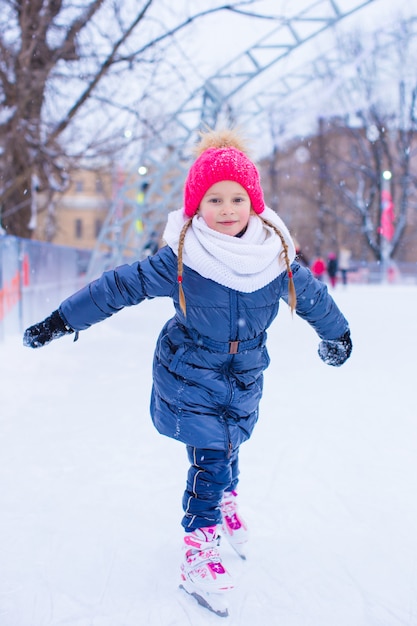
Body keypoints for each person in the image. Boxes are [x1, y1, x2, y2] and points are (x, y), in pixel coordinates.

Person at [23, 129, 352, 616]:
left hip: (244, 372)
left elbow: (315, 300)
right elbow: (118, 287)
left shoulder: (273, 258)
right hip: (190, 370)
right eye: (214, 198)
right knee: (212, 453)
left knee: (231, 439)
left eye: (237, 198)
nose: (226, 208)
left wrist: (336, 335)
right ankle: (198, 552)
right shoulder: (182, 260)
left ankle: (225, 498)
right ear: (197, 207)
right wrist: (62, 320)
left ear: (253, 203)